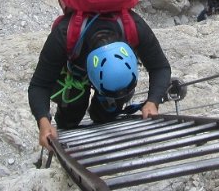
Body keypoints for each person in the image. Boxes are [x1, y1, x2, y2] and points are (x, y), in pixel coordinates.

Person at [29, 9, 172, 148]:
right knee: (69, 120)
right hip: (76, 73)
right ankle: (71, 117)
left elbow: (160, 67)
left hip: (104, 75)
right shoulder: (64, 33)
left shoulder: (134, 25)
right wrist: (43, 121)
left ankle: (102, 109)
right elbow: (40, 84)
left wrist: (153, 101)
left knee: (106, 114)